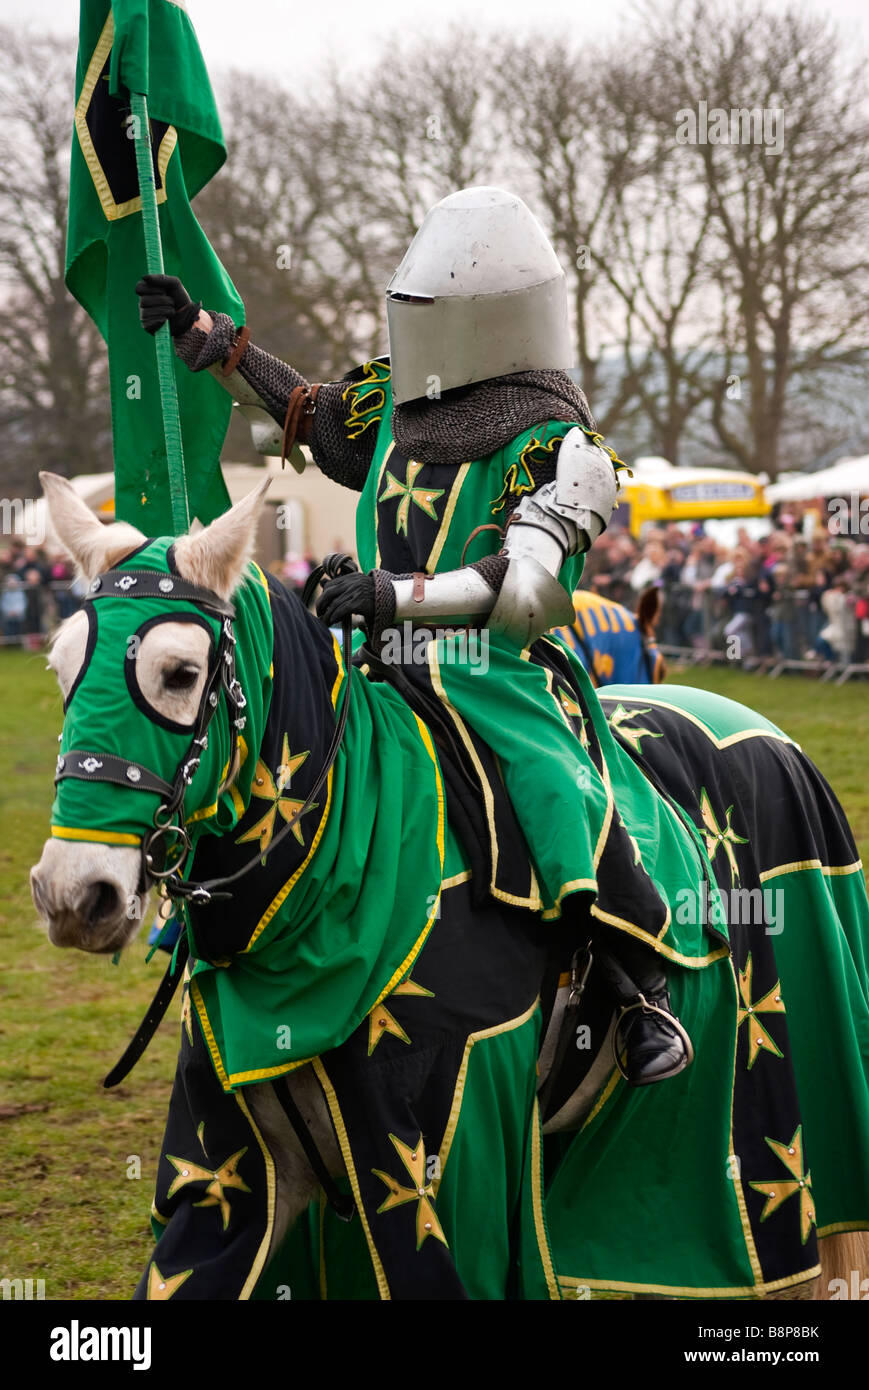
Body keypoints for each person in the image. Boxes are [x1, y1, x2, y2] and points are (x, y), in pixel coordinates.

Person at [136, 186, 703, 1086]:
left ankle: (633, 978)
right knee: (265, 744)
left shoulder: (562, 450)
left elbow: (527, 588)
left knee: (549, 783)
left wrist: (396, 596)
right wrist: (207, 338)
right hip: (368, 662)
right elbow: (307, 410)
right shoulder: (400, 413)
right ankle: (217, 922)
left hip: (489, 670)